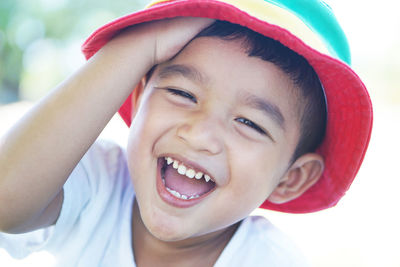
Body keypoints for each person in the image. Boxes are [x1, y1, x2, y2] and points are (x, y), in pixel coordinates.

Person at [0, 0, 373, 266]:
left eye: (250, 123)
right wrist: (143, 44)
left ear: (291, 178)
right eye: (182, 93)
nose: (199, 135)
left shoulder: (269, 260)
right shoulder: (97, 183)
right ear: (138, 93)